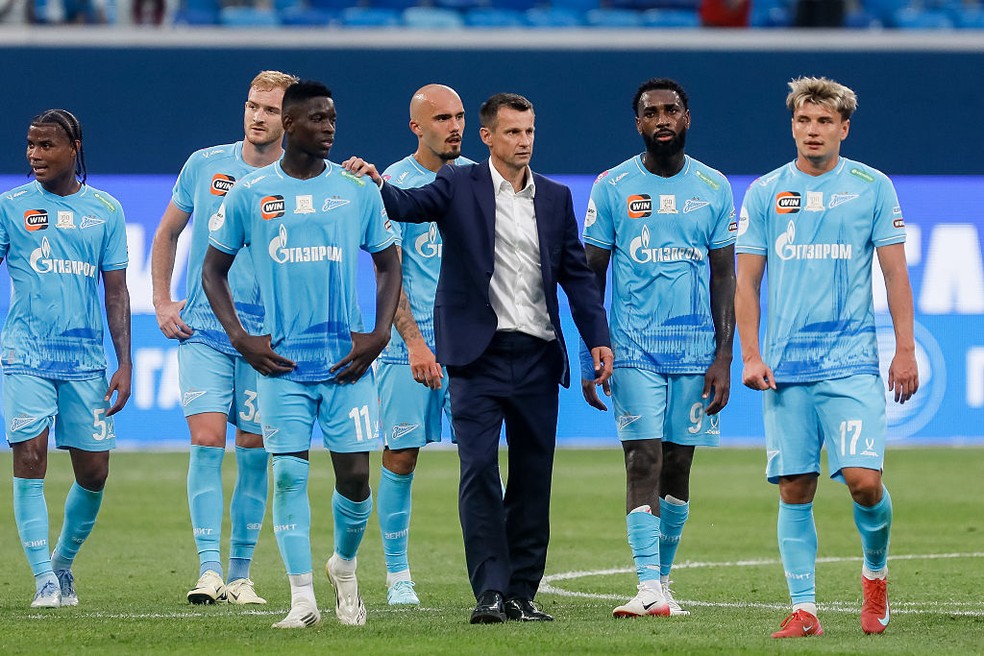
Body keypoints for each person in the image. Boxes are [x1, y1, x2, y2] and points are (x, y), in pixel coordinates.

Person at [345, 92, 613, 624]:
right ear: (489, 138)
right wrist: (377, 184)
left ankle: (522, 593)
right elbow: (407, 207)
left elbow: (577, 278)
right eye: (513, 132)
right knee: (479, 470)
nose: (524, 142)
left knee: (534, 476)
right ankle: (489, 590)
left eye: (530, 131)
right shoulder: (457, 183)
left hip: (537, 353)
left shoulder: (556, 198)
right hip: (476, 355)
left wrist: (597, 337)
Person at [202, 80, 401, 629]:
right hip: (282, 367)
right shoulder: (249, 192)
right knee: (287, 476)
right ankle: (303, 600)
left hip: (347, 364)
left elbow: (388, 261)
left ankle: (344, 567)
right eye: (318, 119)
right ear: (290, 125)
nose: (330, 128)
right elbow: (212, 270)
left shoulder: (356, 190)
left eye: (333, 118)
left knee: (357, 481)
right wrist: (241, 337)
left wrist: (380, 332)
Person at [735, 76, 918, 638]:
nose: (812, 131)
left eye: (823, 121)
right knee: (795, 488)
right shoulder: (766, 192)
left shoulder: (872, 187)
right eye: (802, 121)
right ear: (793, 125)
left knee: (864, 481)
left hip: (850, 363)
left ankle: (875, 576)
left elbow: (893, 273)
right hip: (786, 369)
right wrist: (750, 354)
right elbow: (747, 281)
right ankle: (805, 609)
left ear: (843, 127)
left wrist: (905, 349)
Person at [581, 78, 736, 618]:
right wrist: (590, 351)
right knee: (641, 457)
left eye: (671, 110)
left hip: (696, 350)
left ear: (687, 117)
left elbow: (724, 276)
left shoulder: (714, 187)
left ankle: (663, 584)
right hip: (631, 348)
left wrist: (724, 356)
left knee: (677, 467)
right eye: (652, 112)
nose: (662, 119)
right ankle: (646, 585)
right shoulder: (613, 186)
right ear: (638, 123)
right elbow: (590, 276)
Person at [151, 70, 297, 606]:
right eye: (252, 105)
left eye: (271, 109)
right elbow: (167, 232)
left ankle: (240, 577)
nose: (258, 116)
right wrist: (163, 301)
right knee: (208, 440)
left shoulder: (301, 178)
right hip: (206, 333)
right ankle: (208, 572)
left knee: (254, 450)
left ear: (291, 119)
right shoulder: (205, 164)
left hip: (265, 339)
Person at [1, 109, 131, 607]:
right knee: (29, 458)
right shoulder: (11, 207)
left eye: (46, 145)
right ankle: (43, 581)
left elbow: (116, 293)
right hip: (26, 355)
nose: (34, 154)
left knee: (93, 472)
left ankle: (62, 563)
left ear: (74, 147)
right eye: (30, 145)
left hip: (85, 360)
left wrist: (125, 363)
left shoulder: (106, 210)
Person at [374, 83, 474, 607]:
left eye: (459, 117)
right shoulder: (392, 184)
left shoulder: (479, 180)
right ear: (417, 126)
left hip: (472, 344)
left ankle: (489, 570)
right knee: (402, 455)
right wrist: (415, 344)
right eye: (441, 119)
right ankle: (397, 574)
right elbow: (386, 274)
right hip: (408, 347)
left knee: (479, 458)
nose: (453, 127)